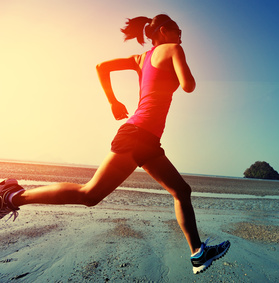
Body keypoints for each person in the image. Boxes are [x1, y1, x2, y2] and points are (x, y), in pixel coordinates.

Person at [0, 14, 230, 274]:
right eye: (179, 31)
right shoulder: (174, 48)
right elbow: (189, 86)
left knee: (181, 191)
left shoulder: (140, 59)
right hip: (137, 135)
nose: (181, 36)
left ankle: (198, 253)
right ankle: (12, 196)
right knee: (89, 194)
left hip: (146, 139)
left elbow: (101, 67)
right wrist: (180, 67)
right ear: (165, 31)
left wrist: (113, 101)